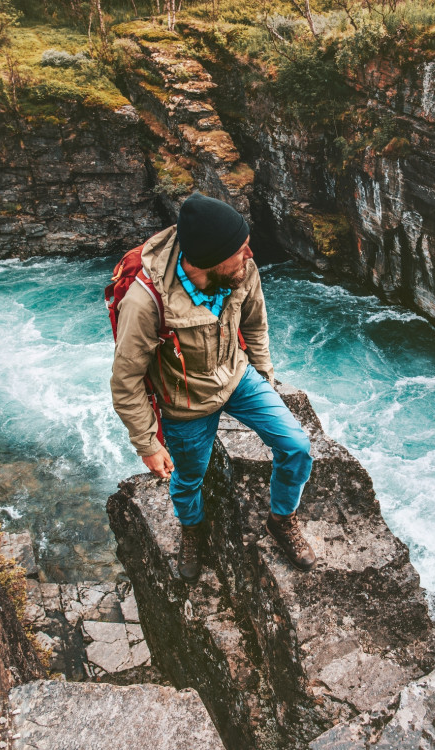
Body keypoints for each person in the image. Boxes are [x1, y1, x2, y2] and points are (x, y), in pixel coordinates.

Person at [110, 192, 317, 582]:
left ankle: (282, 518)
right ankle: (192, 529)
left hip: (237, 377)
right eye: (240, 249)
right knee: (188, 477)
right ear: (209, 259)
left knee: (297, 446)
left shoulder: (241, 270)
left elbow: (255, 326)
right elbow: (126, 381)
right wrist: (148, 445)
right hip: (184, 402)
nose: (251, 254)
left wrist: (265, 379)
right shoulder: (145, 302)